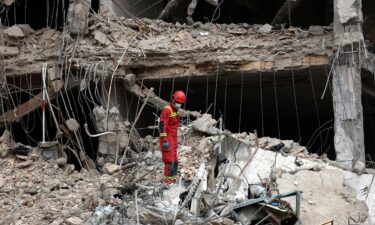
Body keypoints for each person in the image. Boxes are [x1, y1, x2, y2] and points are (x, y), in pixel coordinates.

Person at [159, 90, 186, 184]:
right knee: (169, 159)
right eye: (178, 103)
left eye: (180, 103)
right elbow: (162, 126)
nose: (179, 105)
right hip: (167, 138)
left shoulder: (175, 110)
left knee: (174, 158)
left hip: (173, 137)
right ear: (173, 100)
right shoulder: (167, 109)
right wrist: (164, 140)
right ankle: (168, 180)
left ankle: (173, 177)